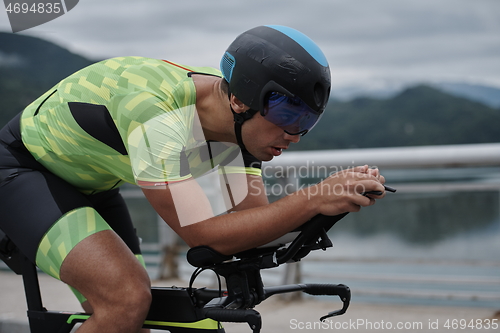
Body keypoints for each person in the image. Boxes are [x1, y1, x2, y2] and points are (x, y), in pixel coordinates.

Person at [0, 25, 386, 332]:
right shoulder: (159, 117)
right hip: (23, 168)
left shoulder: (241, 132)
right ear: (239, 100)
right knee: (125, 300)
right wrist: (313, 197)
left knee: (129, 321)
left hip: (95, 183)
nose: (295, 135)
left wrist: (333, 205)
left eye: (307, 122)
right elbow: (203, 235)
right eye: (288, 116)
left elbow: (253, 224)